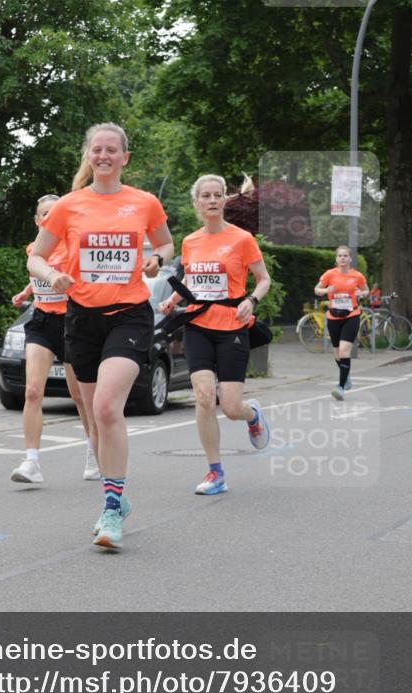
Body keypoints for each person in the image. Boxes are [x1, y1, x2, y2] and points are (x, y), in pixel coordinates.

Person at [28, 123, 174, 550]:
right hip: (82, 318)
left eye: (113, 150)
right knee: (93, 415)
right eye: (98, 149)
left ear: (125, 157)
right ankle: (115, 496)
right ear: (88, 156)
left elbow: (166, 245)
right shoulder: (69, 206)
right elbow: (35, 257)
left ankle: (112, 509)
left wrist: (155, 259)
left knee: (108, 407)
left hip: (129, 316)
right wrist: (53, 273)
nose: (105, 155)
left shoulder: (144, 203)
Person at [159, 175, 271, 496]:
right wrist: (173, 300)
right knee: (205, 397)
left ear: (225, 201)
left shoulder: (242, 239)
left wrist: (251, 300)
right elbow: (192, 282)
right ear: (196, 202)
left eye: (217, 195)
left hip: (233, 326)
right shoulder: (190, 242)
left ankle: (253, 416)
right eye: (205, 196)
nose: (211, 200)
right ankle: (215, 472)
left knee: (231, 406)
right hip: (198, 325)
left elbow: (263, 279)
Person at [10, 194, 97, 485]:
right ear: (37, 220)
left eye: (54, 213)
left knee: (80, 397)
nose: (49, 218)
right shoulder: (35, 248)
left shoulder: (73, 246)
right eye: (44, 214)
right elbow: (39, 274)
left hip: (71, 323)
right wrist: (27, 293)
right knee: (33, 391)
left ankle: (94, 451)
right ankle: (31, 462)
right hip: (41, 321)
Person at [314, 246, 369, 401]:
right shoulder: (330, 274)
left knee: (345, 351)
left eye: (345, 256)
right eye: (340, 256)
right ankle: (347, 378)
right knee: (337, 353)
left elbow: (366, 290)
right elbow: (317, 289)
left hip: (351, 315)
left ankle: (340, 387)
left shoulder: (357, 276)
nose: (342, 258)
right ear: (336, 259)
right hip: (333, 316)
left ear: (350, 259)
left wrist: (362, 293)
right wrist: (326, 291)